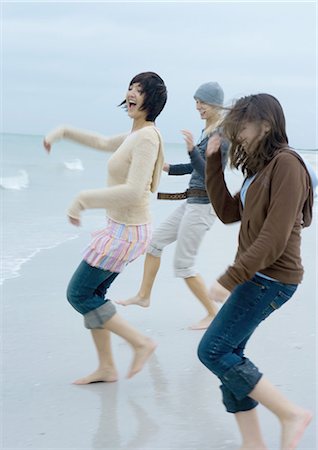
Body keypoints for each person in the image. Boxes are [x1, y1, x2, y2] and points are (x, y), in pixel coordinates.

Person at [197, 93, 313, 450]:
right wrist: (213, 163)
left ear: (266, 124)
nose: (239, 135)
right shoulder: (261, 167)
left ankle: (291, 414)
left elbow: (275, 237)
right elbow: (229, 213)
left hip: (272, 279)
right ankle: (253, 443)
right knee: (229, 354)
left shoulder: (288, 165)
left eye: (243, 127)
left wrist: (231, 276)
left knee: (213, 351)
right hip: (258, 276)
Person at [43, 72, 167, 384]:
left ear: (151, 101)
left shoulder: (147, 138)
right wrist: (62, 131)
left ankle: (141, 343)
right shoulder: (135, 135)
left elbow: (134, 190)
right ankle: (107, 367)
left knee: (79, 294)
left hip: (126, 231)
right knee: (93, 293)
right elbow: (99, 141)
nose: (131, 93)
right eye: (130, 87)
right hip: (122, 228)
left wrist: (82, 200)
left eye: (139, 90)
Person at [116, 82, 229, 330]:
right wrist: (168, 168)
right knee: (154, 243)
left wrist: (190, 150)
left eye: (202, 102)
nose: (198, 107)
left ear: (215, 105)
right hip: (192, 202)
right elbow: (194, 167)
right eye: (196, 102)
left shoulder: (221, 135)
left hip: (204, 207)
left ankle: (213, 313)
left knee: (184, 265)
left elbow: (210, 174)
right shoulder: (207, 131)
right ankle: (144, 296)